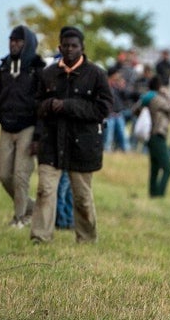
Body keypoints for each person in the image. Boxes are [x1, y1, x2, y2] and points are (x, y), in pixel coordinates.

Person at [31, 26, 111, 244]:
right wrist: (49, 105)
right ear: (59, 47)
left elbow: (103, 109)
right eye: (65, 45)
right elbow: (36, 106)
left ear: (82, 48)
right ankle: (40, 236)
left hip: (82, 144)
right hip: (51, 143)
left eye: (74, 46)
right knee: (44, 191)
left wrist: (68, 105)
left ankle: (86, 238)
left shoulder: (96, 74)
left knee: (82, 197)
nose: (69, 49)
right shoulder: (47, 74)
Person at [0, 25, 46, 227]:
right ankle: (30, 208)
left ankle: (20, 218)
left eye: (19, 41)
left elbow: (42, 105)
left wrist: (38, 136)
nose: (14, 44)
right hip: (6, 126)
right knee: (3, 174)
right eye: (12, 40)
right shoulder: (4, 68)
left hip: (28, 127)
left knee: (20, 175)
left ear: (28, 44)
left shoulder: (38, 68)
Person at [133, 76, 170, 197]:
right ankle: (159, 194)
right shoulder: (157, 99)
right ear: (159, 86)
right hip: (157, 134)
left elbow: (135, 110)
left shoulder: (146, 98)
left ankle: (153, 194)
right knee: (167, 168)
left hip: (149, 136)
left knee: (155, 167)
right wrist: (166, 94)